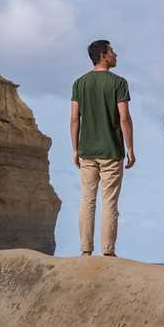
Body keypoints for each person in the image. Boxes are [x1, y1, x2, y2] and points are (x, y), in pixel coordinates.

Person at [70, 40, 135, 257]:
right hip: (111, 150)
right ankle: (108, 251)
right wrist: (131, 148)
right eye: (112, 51)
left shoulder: (79, 83)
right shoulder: (119, 83)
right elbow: (124, 117)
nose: (116, 54)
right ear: (103, 55)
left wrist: (75, 149)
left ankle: (85, 250)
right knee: (109, 202)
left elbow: (74, 119)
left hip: (87, 150)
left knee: (87, 200)